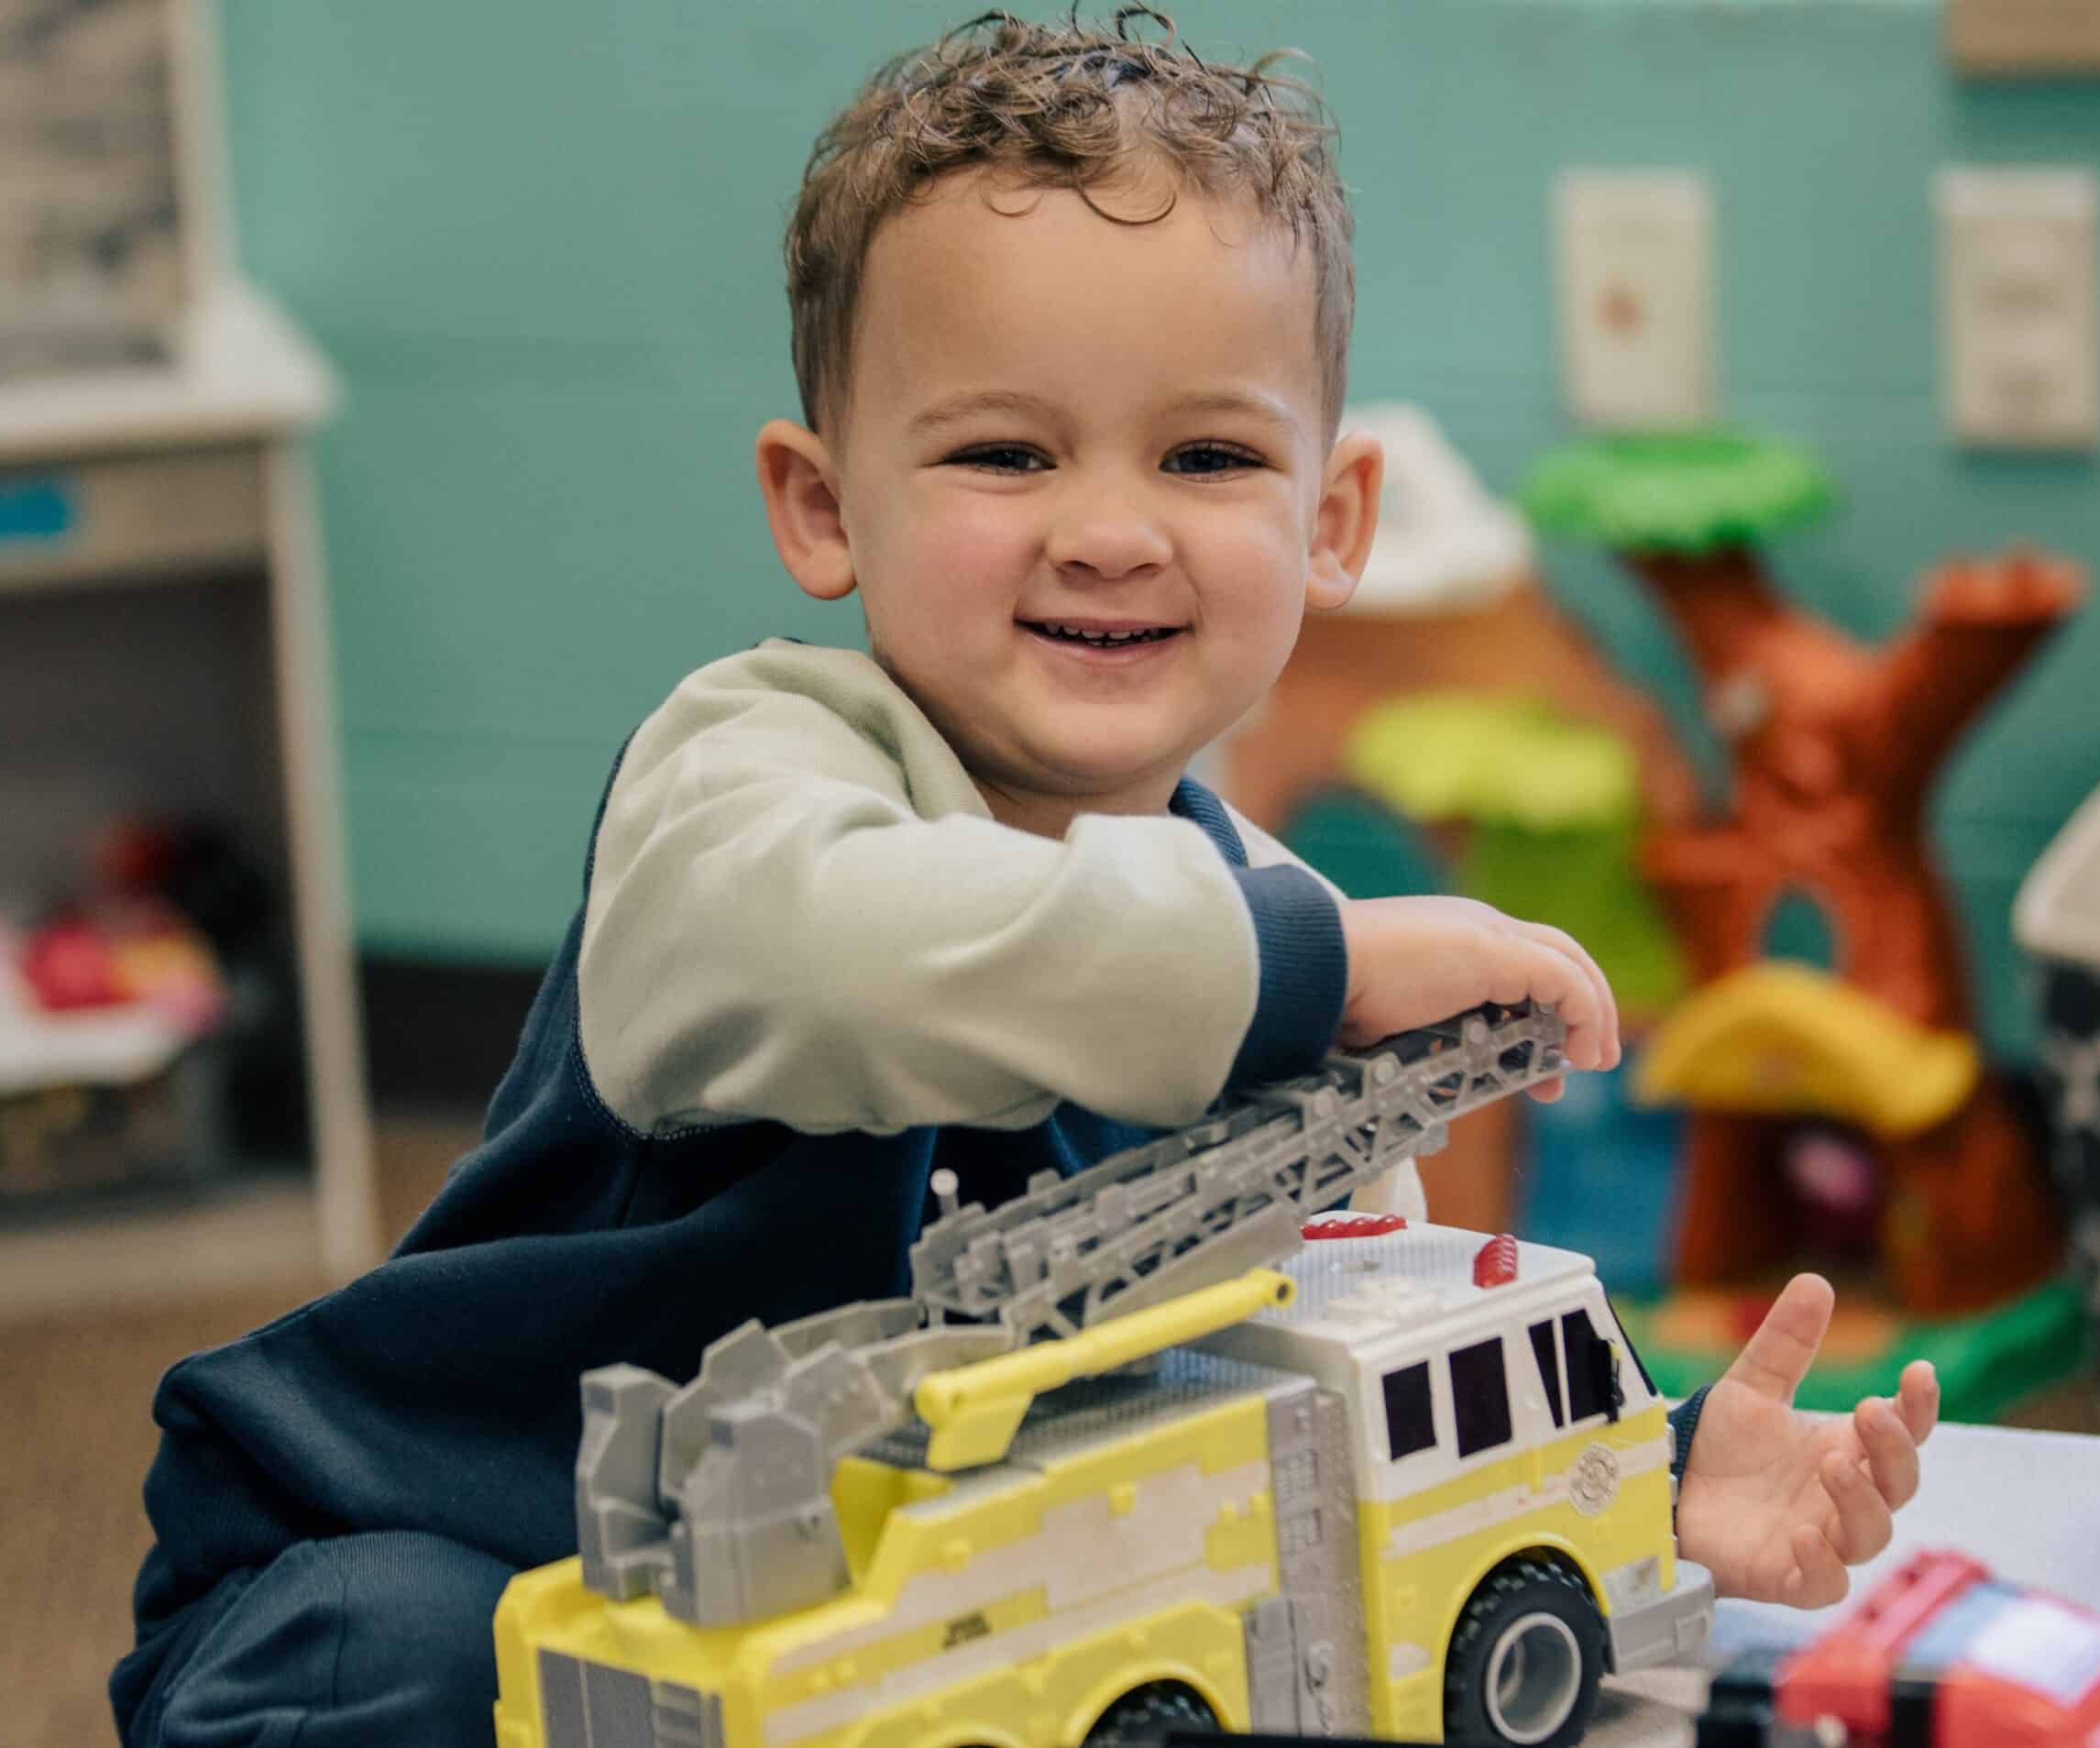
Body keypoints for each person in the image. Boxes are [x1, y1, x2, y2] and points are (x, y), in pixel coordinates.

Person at [113, 13, 1939, 1745]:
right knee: (434, 1670)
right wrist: (1308, 969)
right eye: (1004, 450)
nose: (1109, 528)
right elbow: (863, 960)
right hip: (457, 1546)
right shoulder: (740, 782)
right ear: (823, 505)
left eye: (1207, 454)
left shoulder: (1273, 922)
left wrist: (1658, 1466)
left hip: (867, 1612)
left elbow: (1349, 1336)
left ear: (1329, 521)